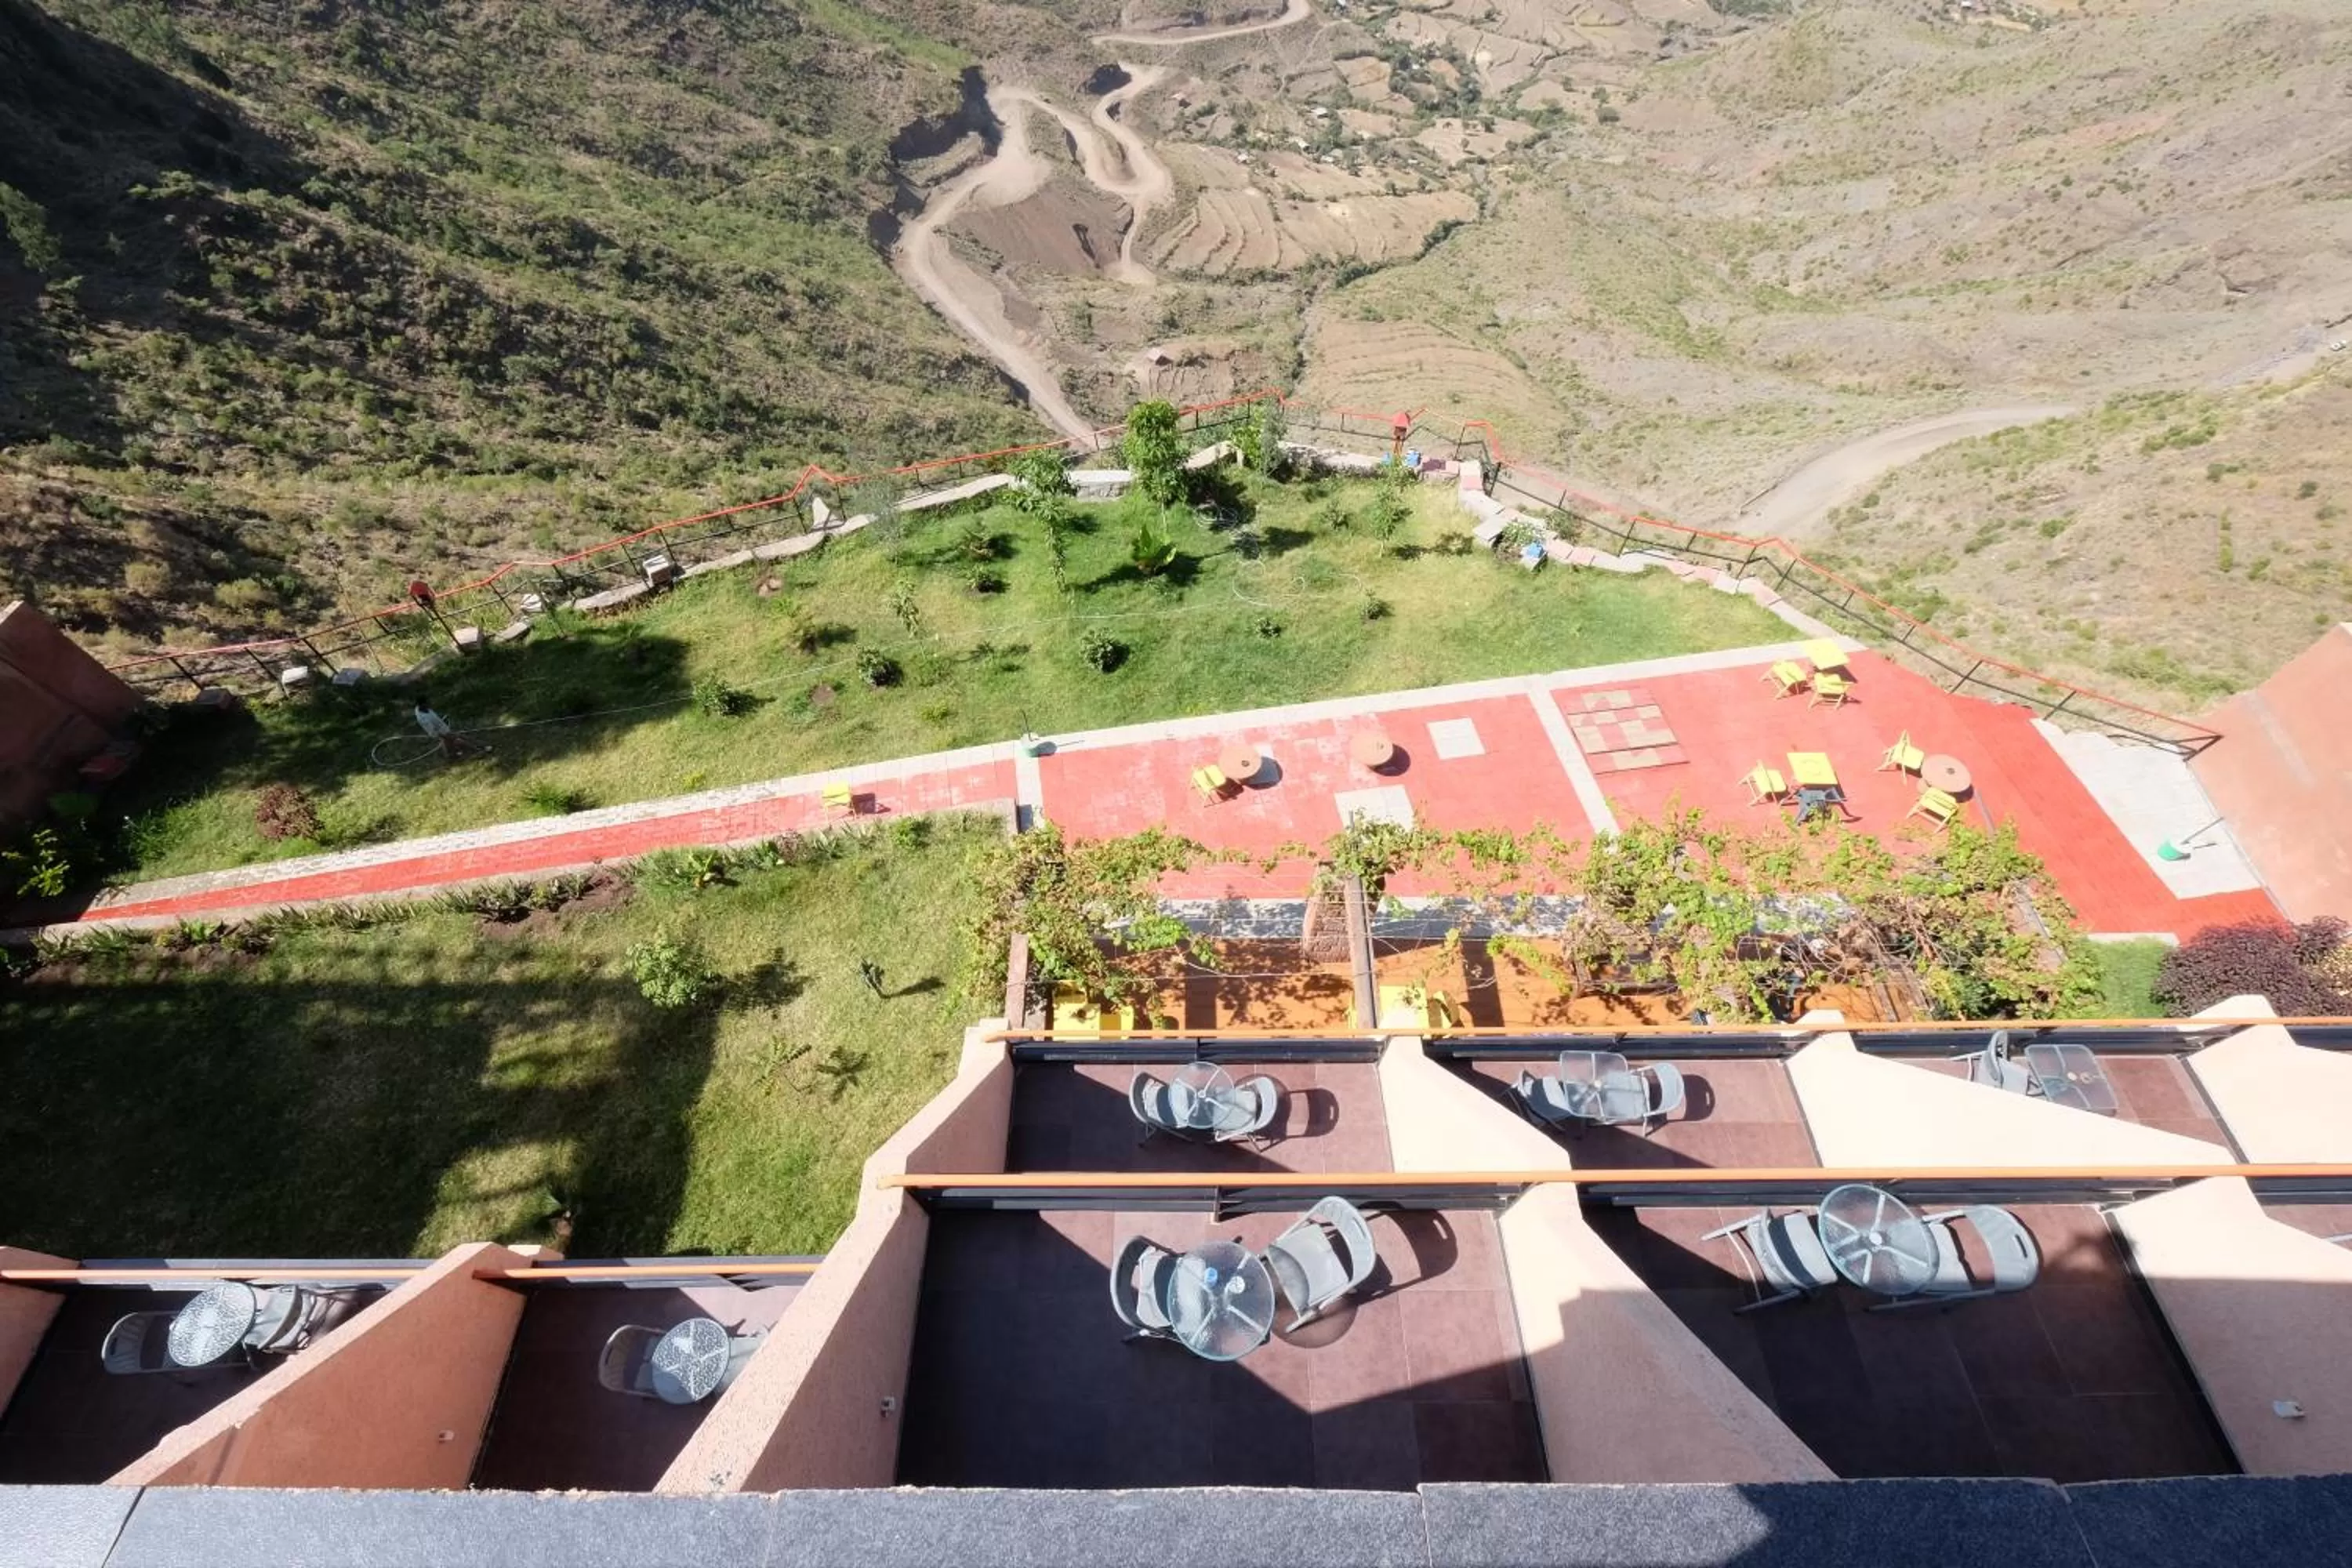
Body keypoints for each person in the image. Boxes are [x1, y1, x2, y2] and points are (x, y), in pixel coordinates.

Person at [412, 693, 485, 758]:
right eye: (427, 702)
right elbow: (433, 730)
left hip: (442, 727)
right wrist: (446, 736)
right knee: (458, 739)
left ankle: (451, 755)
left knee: (451, 743)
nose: (429, 703)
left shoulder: (425, 708)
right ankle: (477, 750)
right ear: (422, 704)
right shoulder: (422, 718)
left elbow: (434, 717)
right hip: (438, 732)